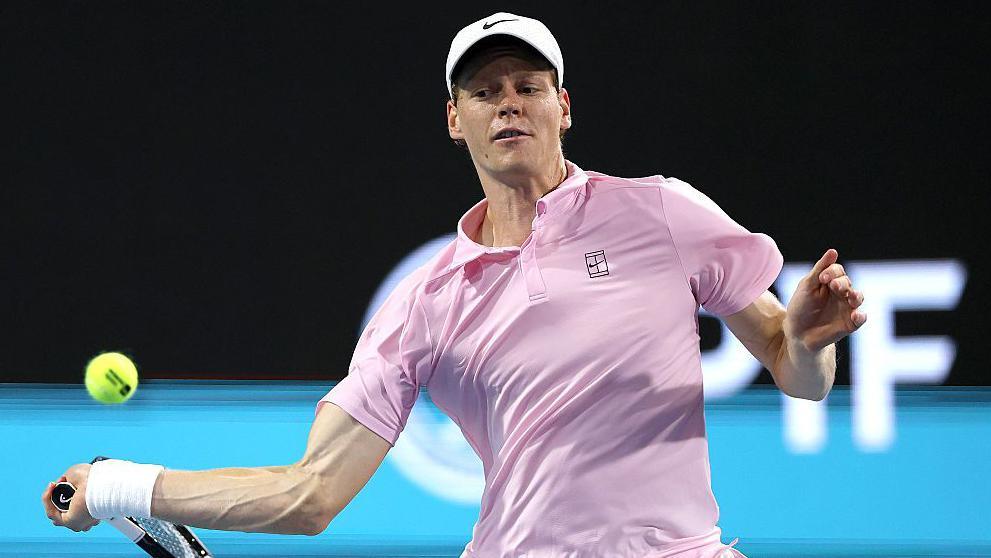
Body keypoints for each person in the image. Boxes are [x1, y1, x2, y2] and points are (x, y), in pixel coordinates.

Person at [43, 12, 867, 558]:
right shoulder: (426, 303)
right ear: (454, 118)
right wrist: (123, 484)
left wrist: (801, 339)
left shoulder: (660, 212)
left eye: (526, 87)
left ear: (562, 106)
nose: (507, 104)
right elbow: (311, 495)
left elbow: (802, 381)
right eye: (483, 91)